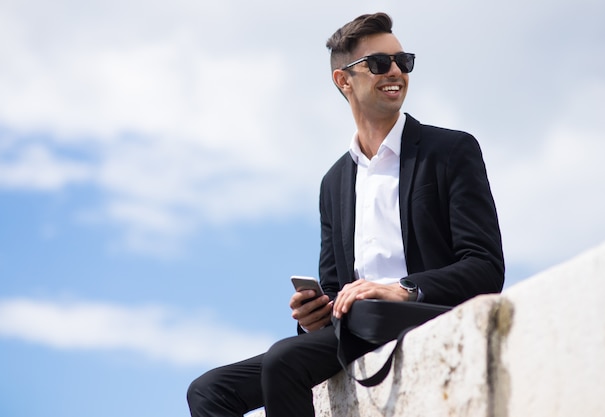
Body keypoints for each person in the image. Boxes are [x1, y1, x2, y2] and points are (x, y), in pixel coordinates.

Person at [187, 12, 504, 417]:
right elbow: (336, 290)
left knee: (285, 360)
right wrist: (313, 316)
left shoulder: (452, 151)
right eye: (378, 63)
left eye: (402, 61)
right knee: (208, 391)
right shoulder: (334, 182)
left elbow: (486, 268)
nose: (395, 71)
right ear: (344, 80)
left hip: (421, 315)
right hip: (357, 329)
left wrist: (402, 288)